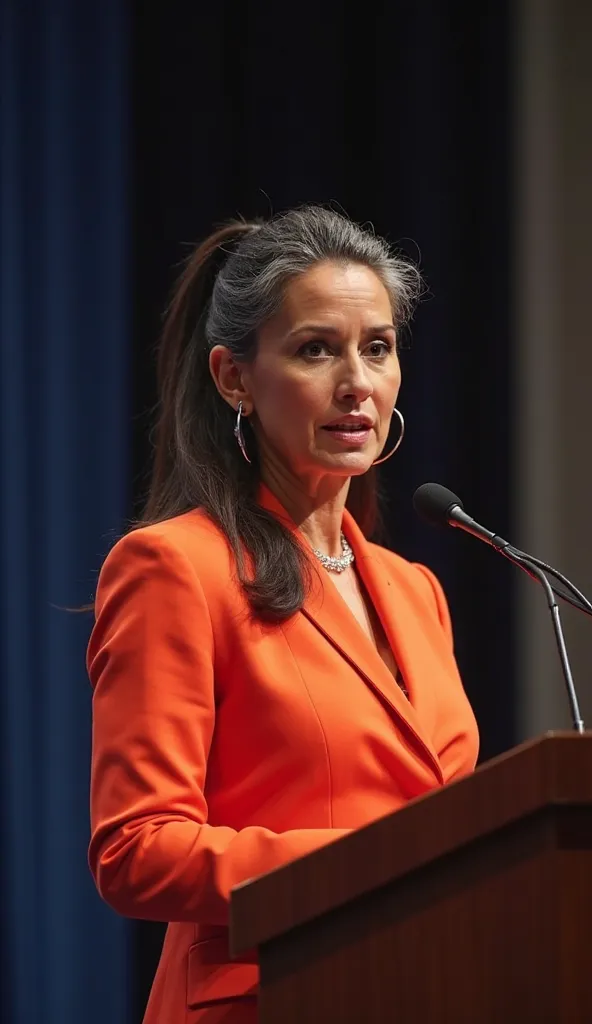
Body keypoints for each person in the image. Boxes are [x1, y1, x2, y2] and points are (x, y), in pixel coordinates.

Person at [87, 205, 479, 1023]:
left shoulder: (415, 591)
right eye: (315, 350)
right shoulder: (176, 568)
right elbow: (136, 851)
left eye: (377, 347)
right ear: (234, 378)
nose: (357, 383)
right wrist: (381, 861)